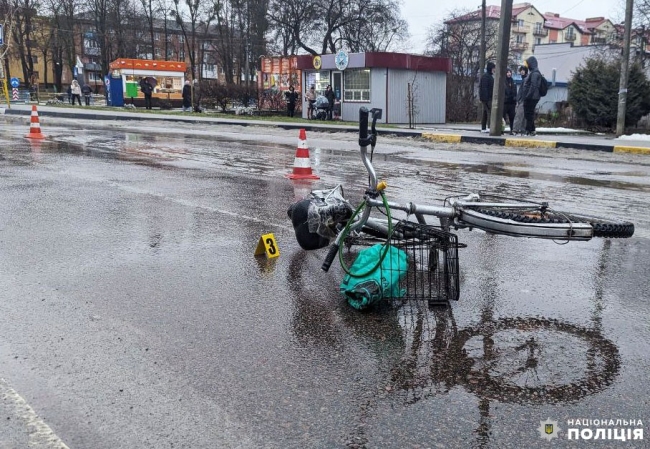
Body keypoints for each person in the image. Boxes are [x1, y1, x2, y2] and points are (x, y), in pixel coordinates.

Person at [521, 56, 542, 136]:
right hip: (533, 97)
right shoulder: (534, 72)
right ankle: (532, 130)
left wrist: (527, 96)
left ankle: (528, 130)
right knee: (529, 113)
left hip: (532, 97)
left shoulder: (535, 73)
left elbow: (533, 86)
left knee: (528, 114)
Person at [479, 62, 495, 133]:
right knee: (489, 112)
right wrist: (486, 99)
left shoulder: (488, 76)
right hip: (487, 98)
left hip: (487, 98)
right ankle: (489, 126)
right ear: (491, 68)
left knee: (485, 112)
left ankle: (484, 127)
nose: (494, 70)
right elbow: (484, 88)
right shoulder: (486, 77)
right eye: (494, 68)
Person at [512, 65, 528, 135]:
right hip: (525, 100)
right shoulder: (524, 79)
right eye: (521, 70)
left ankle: (515, 130)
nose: (522, 72)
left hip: (523, 100)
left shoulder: (525, 80)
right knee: (523, 116)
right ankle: (522, 130)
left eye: (523, 70)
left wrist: (519, 99)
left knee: (519, 115)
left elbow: (522, 91)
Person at [503, 68, 517, 134]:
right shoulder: (503, 81)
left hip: (512, 103)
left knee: (512, 117)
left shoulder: (513, 81)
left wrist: (514, 98)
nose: (509, 73)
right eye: (507, 72)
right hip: (505, 102)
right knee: (503, 117)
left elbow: (515, 91)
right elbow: (505, 91)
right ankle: (501, 130)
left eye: (510, 72)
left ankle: (512, 130)